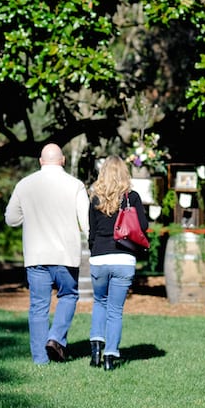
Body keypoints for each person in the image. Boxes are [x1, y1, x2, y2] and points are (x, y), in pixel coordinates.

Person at [5, 143, 90, 365]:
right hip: (66, 254)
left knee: (38, 306)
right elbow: (87, 222)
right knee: (69, 296)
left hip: (36, 254)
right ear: (62, 160)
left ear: (41, 161)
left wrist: (31, 215)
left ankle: (40, 360)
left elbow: (11, 219)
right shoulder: (75, 185)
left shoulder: (25, 185)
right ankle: (55, 337)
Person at [87, 155, 149, 370]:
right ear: (124, 173)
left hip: (99, 258)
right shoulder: (132, 197)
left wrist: (94, 251)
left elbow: (92, 232)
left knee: (99, 302)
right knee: (115, 309)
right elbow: (142, 225)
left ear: (102, 173)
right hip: (123, 258)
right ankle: (110, 357)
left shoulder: (95, 198)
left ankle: (96, 347)